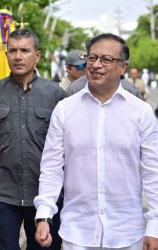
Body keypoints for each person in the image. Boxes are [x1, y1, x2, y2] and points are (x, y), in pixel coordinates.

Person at [34, 33, 158, 250]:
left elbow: (153, 171)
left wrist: (154, 225)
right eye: (92, 58)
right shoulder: (65, 110)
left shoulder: (141, 112)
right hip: (77, 233)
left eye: (106, 59)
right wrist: (44, 214)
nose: (96, 65)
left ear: (123, 67)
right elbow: (52, 167)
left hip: (127, 233)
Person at [0, 29, 67, 249]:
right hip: (4, 192)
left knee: (44, 246)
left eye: (25, 50)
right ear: (6, 55)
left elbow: (69, 147)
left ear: (37, 56)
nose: (18, 56)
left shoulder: (56, 95)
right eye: (13, 50)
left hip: (45, 196)